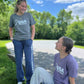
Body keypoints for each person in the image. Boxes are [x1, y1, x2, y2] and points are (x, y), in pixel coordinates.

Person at [9, 0, 36, 84]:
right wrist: (11, 38)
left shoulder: (28, 15)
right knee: (18, 61)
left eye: (25, 6)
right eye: (22, 6)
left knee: (29, 61)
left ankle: (29, 80)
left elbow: (33, 28)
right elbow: (10, 28)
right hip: (17, 41)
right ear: (17, 5)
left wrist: (31, 38)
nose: (24, 8)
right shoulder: (13, 17)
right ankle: (20, 79)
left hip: (27, 41)